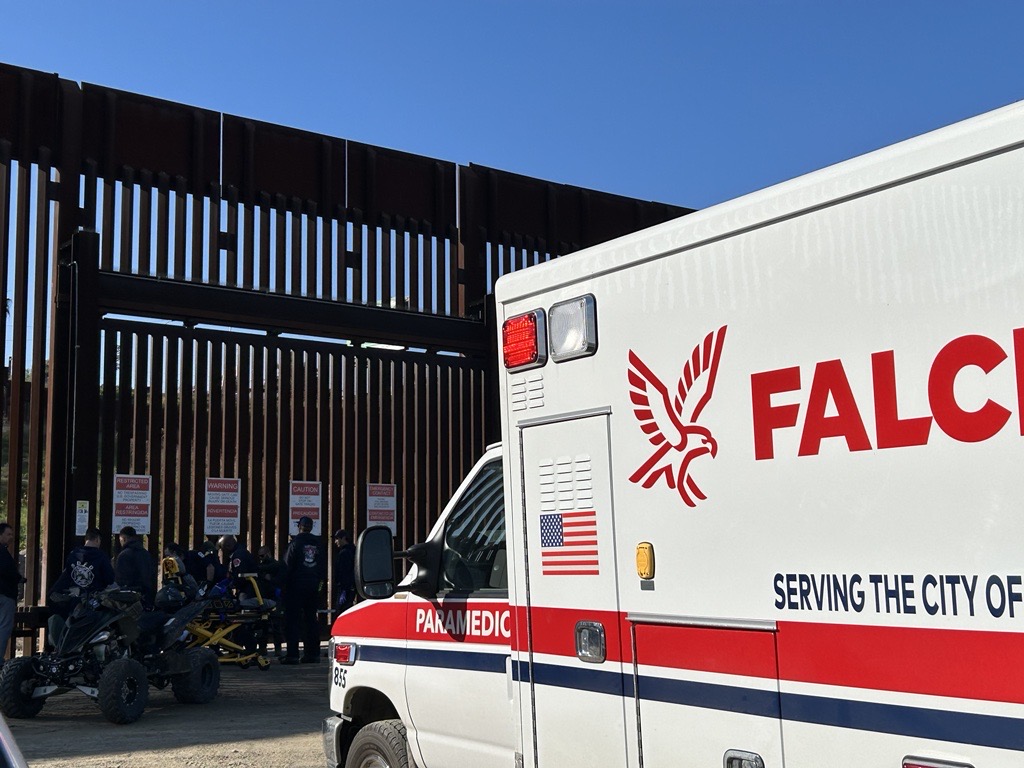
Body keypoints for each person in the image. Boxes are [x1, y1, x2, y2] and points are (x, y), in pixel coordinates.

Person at [282, 516, 326, 664]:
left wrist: (284, 587)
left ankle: (292, 655)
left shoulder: (295, 543)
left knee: (293, 620)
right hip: (313, 587)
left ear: (299, 527)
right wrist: (319, 587)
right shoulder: (318, 544)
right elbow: (322, 569)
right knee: (311, 620)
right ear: (311, 527)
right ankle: (313, 654)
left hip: (295, 587)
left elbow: (287, 567)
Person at [0, 523, 25, 665]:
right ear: (1, 534)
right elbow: (7, 571)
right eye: (8, 534)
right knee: (4, 627)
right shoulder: (2, 553)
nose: (11, 537)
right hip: (5, 594)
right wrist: (19, 578)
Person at [114, 526, 156, 609]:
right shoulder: (145, 553)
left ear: (124, 538)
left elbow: (121, 579)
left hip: (130, 597)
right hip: (147, 596)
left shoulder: (124, 555)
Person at [257, 545, 287, 658]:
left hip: (275, 597)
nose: (261, 558)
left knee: (276, 624)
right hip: (264, 598)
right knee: (262, 624)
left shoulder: (276, 566)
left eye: (262, 555)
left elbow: (280, 579)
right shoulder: (262, 567)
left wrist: (270, 579)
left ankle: (278, 649)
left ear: (268, 553)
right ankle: (262, 648)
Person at [218, 535, 258, 599]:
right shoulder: (240, 552)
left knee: (242, 603)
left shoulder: (238, 555)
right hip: (248, 587)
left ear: (228, 546)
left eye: (223, 548)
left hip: (248, 589)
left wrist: (231, 585)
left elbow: (240, 574)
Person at [332, 529, 356, 614]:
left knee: (341, 610)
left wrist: (344, 589)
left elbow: (344, 573)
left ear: (344, 538)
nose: (335, 542)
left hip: (345, 588)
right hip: (351, 587)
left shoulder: (344, 553)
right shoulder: (354, 551)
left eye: (337, 539)